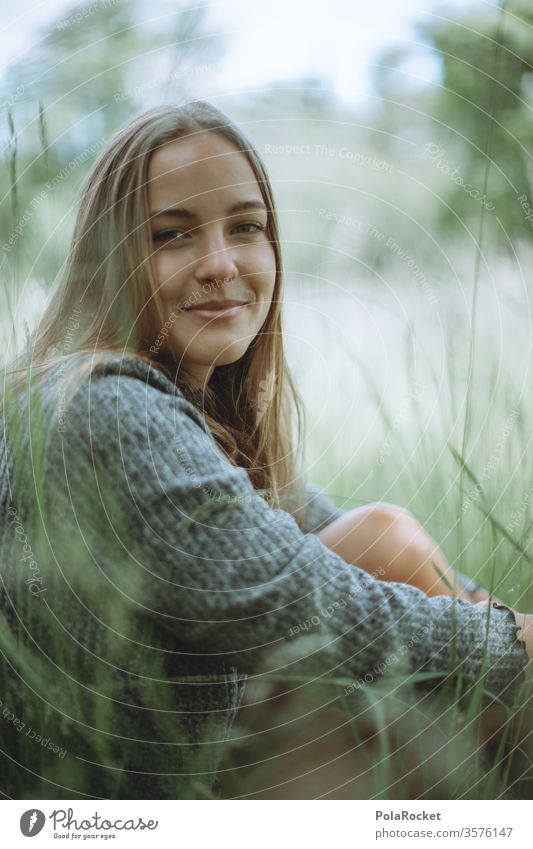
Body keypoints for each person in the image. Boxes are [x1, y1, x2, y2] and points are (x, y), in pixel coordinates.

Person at [1, 100, 531, 800]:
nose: (221, 264)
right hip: (135, 798)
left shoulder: (182, 403)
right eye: (172, 234)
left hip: (195, 765)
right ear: (110, 258)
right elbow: (303, 599)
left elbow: (315, 534)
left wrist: (506, 633)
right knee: (388, 565)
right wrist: (510, 645)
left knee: (386, 540)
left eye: (245, 227)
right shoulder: (103, 408)